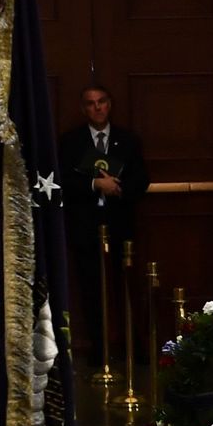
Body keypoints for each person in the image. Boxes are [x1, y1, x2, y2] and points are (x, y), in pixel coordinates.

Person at [59, 84, 149, 360]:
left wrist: (117, 188)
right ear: (82, 108)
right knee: (90, 288)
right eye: (90, 103)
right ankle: (100, 348)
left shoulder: (127, 139)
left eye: (101, 102)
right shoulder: (70, 141)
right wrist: (95, 184)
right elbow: (62, 180)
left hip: (120, 222)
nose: (97, 107)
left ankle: (134, 347)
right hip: (86, 224)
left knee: (125, 286)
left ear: (110, 105)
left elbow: (141, 179)